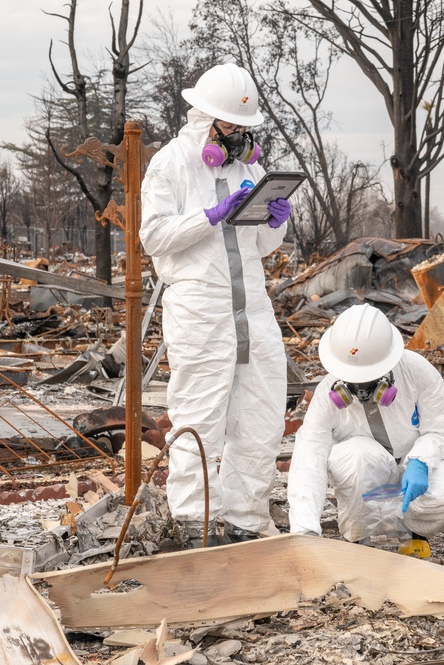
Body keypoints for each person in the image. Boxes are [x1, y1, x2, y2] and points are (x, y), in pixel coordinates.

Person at [140, 62, 291, 548]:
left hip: (253, 308)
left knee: (262, 414)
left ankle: (245, 517)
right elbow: (153, 237)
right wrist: (209, 216)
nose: (238, 136)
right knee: (198, 417)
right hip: (201, 309)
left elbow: (263, 250)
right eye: (230, 127)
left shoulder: (251, 168)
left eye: (244, 129)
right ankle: (193, 522)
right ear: (205, 120)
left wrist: (275, 220)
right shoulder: (172, 163)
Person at [287, 303, 444, 557]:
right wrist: (304, 531)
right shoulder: (328, 395)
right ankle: (361, 537)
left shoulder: (418, 372)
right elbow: (308, 459)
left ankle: (413, 531)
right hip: (371, 471)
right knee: (354, 457)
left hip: (416, 468)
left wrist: (420, 461)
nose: (361, 389)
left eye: (368, 378)